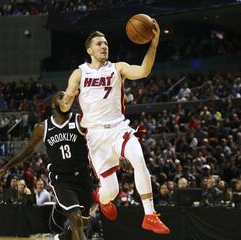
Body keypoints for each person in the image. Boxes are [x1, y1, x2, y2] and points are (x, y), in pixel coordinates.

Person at [60, 23, 171, 234]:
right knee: (111, 191)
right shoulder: (79, 73)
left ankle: (149, 215)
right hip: (95, 136)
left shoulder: (117, 68)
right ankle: (103, 200)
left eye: (106, 43)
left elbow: (144, 71)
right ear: (89, 50)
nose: (104, 46)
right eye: (99, 43)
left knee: (138, 158)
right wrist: (67, 100)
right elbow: (65, 105)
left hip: (119, 128)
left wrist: (154, 44)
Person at [0, 91, 93, 240]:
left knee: (81, 225)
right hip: (62, 180)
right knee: (76, 219)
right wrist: (5, 167)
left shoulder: (80, 120)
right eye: (61, 96)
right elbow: (27, 151)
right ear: (53, 105)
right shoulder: (43, 127)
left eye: (67, 96)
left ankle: (61, 238)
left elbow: (101, 139)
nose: (66, 98)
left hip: (83, 177)